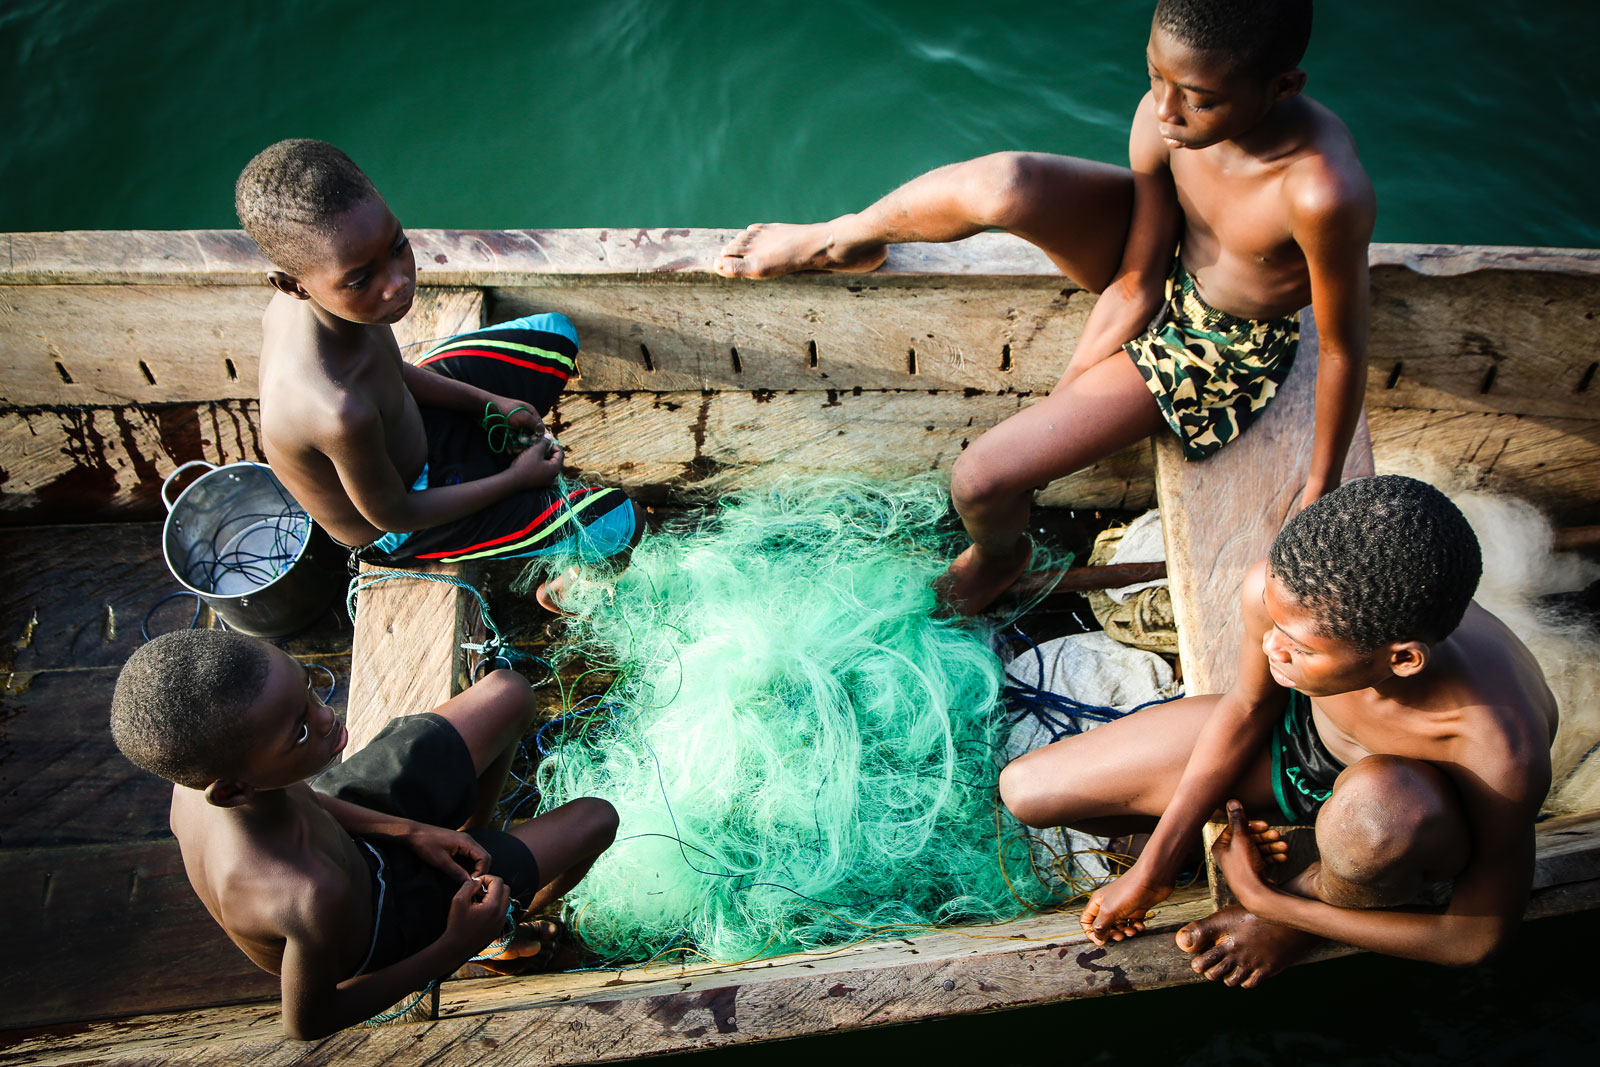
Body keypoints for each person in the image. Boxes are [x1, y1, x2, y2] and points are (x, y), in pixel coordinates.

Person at [715, 0, 1373, 615]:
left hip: (1223, 341)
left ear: (1283, 87)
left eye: (1198, 99)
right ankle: (843, 237)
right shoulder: (1166, 116)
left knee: (980, 480)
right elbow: (1137, 279)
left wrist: (1321, 485)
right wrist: (1065, 398)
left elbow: (1343, 347)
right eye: (1154, 74)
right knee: (1007, 185)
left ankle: (1001, 556)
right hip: (1160, 261)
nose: (1165, 110)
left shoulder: (1321, 192)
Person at [997, 475, 1558, 986]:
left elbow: (1475, 938)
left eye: (1303, 649)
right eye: (1273, 616)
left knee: (1382, 810)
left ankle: (1323, 887)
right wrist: (1154, 869)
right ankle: (1254, 843)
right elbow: (1247, 708)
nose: (1271, 645)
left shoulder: (1497, 748)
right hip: (1296, 745)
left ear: (1403, 660)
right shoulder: (1287, 591)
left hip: (1405, 817)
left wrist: (1267, 903)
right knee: (1029, 791)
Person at [110, 629, 618, 1038]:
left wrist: (411, 830)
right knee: (597, 819)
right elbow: (309, 1022)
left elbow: (298, 797)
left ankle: (473, 833)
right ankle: (501, 936)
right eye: (301, 731)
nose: (327, 717)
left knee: (509, 692)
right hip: (375, 918)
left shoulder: (212, 786)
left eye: (310, 689)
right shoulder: (305, 893)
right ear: (231, 790)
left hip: (348, 832)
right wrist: (459, 942)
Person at [235, 139, 642, 606]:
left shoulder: (350, 308)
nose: (398, 281)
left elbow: (394, 372)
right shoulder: (335, 410)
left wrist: (490, 403)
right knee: (622, 523)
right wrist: (517, 480)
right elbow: (396, 514)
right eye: (361, 278)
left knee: (556, 335)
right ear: (292, 285)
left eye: (398, 246)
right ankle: (560, 592)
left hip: (413, 427)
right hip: (407, 519)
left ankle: (496, 467)